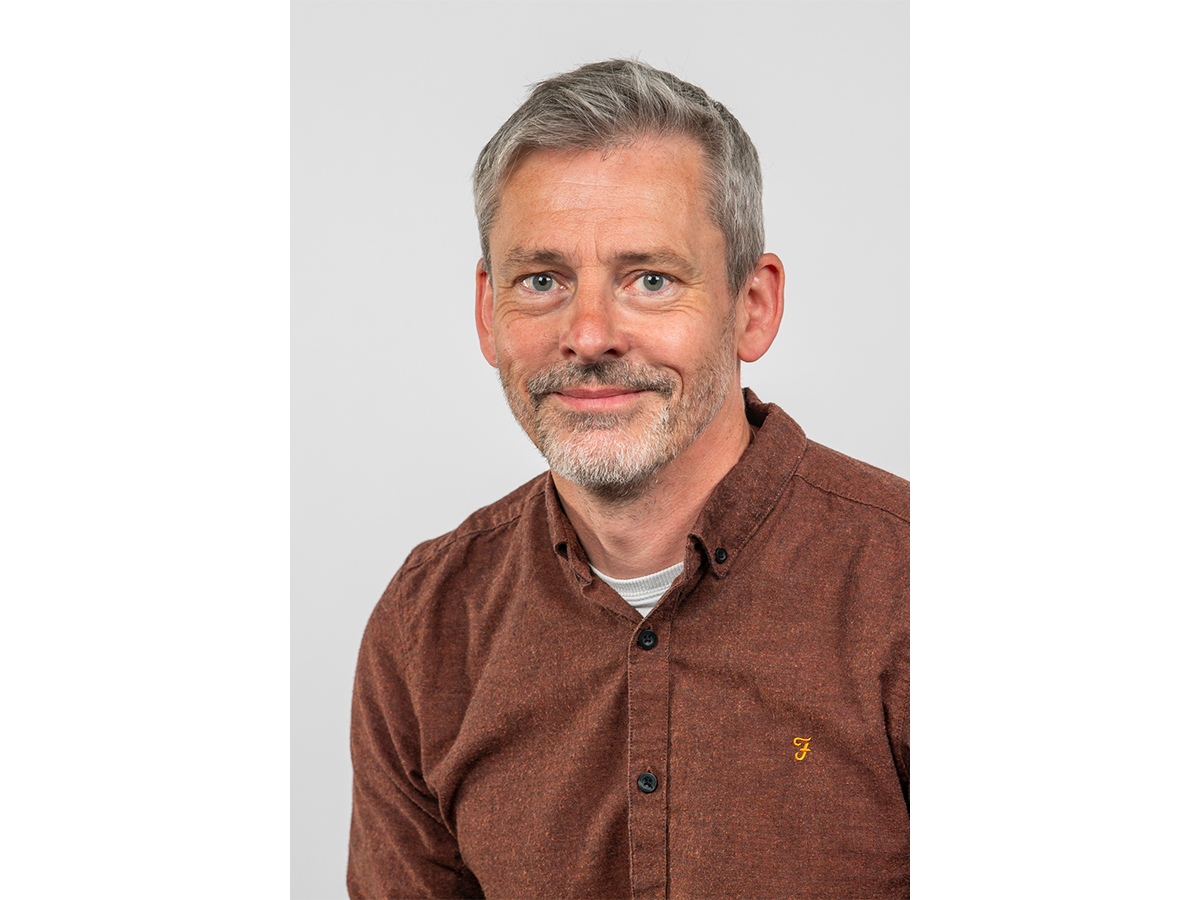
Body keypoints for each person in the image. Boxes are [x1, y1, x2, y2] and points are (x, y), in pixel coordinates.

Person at [347, 59, 908, 899]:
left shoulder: (915, 585)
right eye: (542, 281)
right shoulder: (426, 629)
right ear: (487, 311)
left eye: (650, 279)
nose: (590, 334)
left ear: (752, 305)